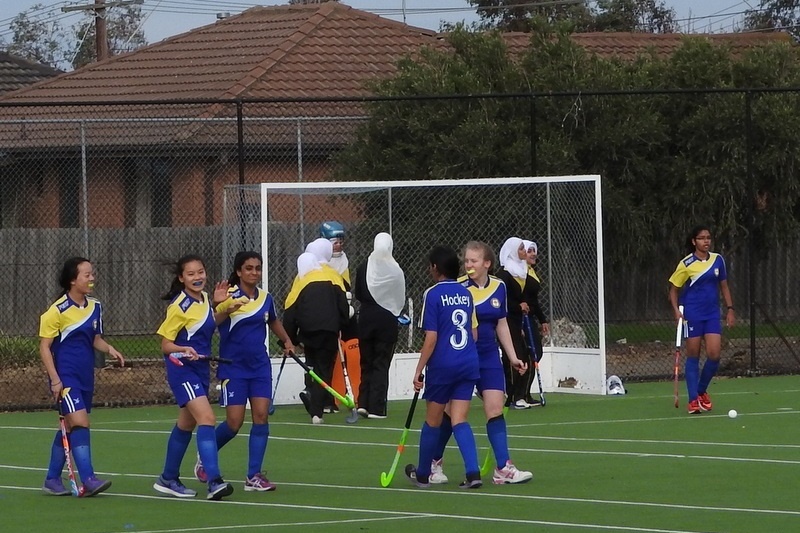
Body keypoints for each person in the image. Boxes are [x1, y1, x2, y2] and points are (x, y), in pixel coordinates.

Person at [427, 242, 533, 485]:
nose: (469, 265)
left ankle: (503, 468)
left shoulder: (499, 287)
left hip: (488, 357)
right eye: (466, 261)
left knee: (495, 409)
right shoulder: (459, 287)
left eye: (474, 261)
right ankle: (434, 462)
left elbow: (502, 323)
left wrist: (513, 356)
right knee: (449, 414)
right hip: (462, 358)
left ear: (487, 263)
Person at [193, 251, 295, 492]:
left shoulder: (265, 298)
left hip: (259, 367)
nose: (254, 273)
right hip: (233, 367)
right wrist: (222, 306)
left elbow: (273, 322)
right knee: (234, 423)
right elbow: (211, 323)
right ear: (239, 271)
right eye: (248, 268)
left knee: (261, 416)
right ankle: (205, 454)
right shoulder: (227, 296)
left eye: (257, 268)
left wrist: (287, 342)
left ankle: (254, 475)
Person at [39, 257, 125, 497]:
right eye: (86, 275)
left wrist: (110, 349)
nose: (92, 278)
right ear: (72, 280)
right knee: (80, 422)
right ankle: (88, 479)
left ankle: (52, 479)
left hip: (85, 376)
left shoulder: (95, 306)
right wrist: (55, 379)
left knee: (68, 426)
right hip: (65, 377)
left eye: (92, 274)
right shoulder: (56, 311)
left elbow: (95, 338)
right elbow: (45, 347)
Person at [152, 254, 234, 500]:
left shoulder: (206, 299)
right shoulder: (179, 306)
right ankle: (214, 481)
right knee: (207, 418)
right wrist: (182, 349)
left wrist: (224, 308)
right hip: (182, 369)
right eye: (191, 274)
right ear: (181, 278)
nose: (197, 277)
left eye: (200, 272)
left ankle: (168, 478)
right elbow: (165, 345)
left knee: (185, 424)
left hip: (199, 369)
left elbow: (207, 325)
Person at [405, 246, 482, 489]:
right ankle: (473, 472)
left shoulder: (433, 294)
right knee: (459, 419)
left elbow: (431, 337)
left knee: (433, 421)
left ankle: (423, 474)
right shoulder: (466, 293)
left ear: (435, 268)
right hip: (468, 361)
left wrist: (419, 369)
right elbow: (473, 332)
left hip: (443, 365)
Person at [669, 226, 735, 415]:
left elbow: (724, 286)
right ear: (693, 241)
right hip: (693, 314)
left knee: (714, 354)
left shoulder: (718, 260)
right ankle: (692, 400)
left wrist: (730, 309)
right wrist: (676, 311)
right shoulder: (686, 263)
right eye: (701, 238)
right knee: (693, 354)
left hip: (712, 314)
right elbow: (673, 289)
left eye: (708, 238)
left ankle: (700, 391)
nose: (706, 241)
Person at [283, 252, 349, 424]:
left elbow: (290, 312)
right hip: (329, 331)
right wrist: (342, 326)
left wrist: (290, 339)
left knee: (312, 367)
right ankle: (316, 409)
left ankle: (312, 395)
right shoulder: (331, 277)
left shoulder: (301, 281)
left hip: (308, 333)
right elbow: (343, 305)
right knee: (323, 369)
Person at [354, 232, 406, 419]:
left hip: (366, 318)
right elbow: (400, 296)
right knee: (381, 363)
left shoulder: (363, 267)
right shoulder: (395, 270)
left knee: (366, 362)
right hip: (386, 320)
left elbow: (358, 293)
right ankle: (376, 407)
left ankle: (363, 403)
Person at [496, 237, 534, 409]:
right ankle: (512, 396)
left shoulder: (521, 271)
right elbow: (501, 300)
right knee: (513, 357)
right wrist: (518, 306)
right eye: (520, 249)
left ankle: (520, 395)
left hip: (517, 321)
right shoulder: (503, 274)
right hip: (506, 320)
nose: (524, 252)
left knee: (523, 355)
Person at [521, 239, 550, 406]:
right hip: (521, 317)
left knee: (535, 354)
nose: (533, 254)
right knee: (529, 354)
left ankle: (525, 393)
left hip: (530, 317)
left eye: (534, 250)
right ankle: (520, 394)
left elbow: (534, 300)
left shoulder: (531, 271)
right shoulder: (518, 272)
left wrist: (542, 319)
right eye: (529, 250)